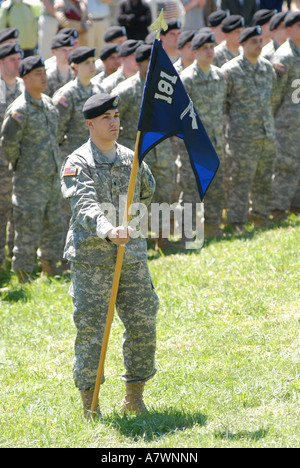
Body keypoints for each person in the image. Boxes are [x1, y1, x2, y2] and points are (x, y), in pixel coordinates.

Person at [60, 93, 159, 418]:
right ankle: (90, 404)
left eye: (116, 115)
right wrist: (107, 228)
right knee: (92, 332)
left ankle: (134, 396)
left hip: (130, 257)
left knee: (143, 324)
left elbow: (147, 190)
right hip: (92, 261)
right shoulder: (78, 162)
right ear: (90, 124)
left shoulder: (132, 159)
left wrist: (130, 222)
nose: (114, 122)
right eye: (106, 118)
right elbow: (83, 203)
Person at [1, 56, 63, 282]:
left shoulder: (48, 104)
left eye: (45, 72)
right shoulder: (19, 109)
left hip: (52, 176)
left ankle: (50, 266)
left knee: (53, 223)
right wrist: (22, 165)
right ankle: (23, 273)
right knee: (27, 226)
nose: (44, 77)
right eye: (38, 73)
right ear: (25, 78)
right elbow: (8, 143)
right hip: (29, 179)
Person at [112, 44, 176, 251]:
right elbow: (111, 122)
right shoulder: (126, 91)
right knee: (135, 200)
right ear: (139, 64)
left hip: (163, 151)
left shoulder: (166, 88)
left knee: (164, 195)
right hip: (137, 154)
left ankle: (162, 239)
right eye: (149, 62)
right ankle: (136, 243)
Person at [221, 26, 277, 232]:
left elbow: (274, 97)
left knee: (264, 177)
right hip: (242, 137)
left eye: (261, 41)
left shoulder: (267, 68)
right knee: (240, 180)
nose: (259, 45)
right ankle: (237, 221)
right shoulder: (230, 70)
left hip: (266, 134)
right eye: (254, 41)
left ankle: (261, 216)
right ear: (242, 44)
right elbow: (223, 104)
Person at [53, 46, 101, 266]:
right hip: (73, 162)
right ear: (74, 67)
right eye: (86, 63)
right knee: (69, 210)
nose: (92, 66)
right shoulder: (66, 95)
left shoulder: (99, 91)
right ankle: (66, 259)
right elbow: (55, 130)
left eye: (93, 62)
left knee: (96, 205)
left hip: (97, 161)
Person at [179, 32, 227, 238]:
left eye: (212, 47)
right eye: (205, 48)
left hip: (216, 141)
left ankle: (212, 227)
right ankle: (187, 234)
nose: (210, 51)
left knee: (216, 186)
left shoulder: (220, 76)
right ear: (195, 52)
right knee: (191, 190)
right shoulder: (185, 79)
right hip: (194, 144)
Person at [271, 11, 300, 220]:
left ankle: (296, 205)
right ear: (288, 30)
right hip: (286, 123)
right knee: (285, 166)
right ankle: (278, 209)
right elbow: (275, 94)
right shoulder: (284, 56)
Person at [0, 43, 23, 270]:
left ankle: (16, 257)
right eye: (12, 60)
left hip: (21, 163)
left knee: (19, 212)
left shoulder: (25, 87)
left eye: (19, 58)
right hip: (1, 163)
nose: (18, 63)